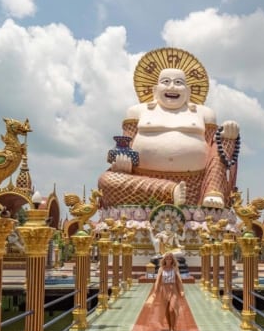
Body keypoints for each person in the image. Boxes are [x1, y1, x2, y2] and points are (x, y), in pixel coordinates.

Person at [98, 47, 240, 209]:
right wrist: (122, 163)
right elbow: (126, 145)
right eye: (166, 82)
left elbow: (211, 148)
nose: (172, 86)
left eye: (178, 83)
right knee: (106, 181)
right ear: (155, 90)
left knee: (224, 138)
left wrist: (228, 133)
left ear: (188, 91)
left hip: (195, 185)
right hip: (144, 183)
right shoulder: (137, 111)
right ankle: (169, 190)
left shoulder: (204, 113)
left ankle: (213, 191)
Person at [145, 252, 186, 331]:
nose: (168, 260)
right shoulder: (161, 269)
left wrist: (181, 290)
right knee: (166, 310)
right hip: (164, 290)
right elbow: (157, 281)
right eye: (167, 258)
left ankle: (173, 328)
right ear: (164, 259)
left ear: (172, 259)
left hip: (173, 290)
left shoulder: (175, 268)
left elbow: (179, 280)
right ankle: (170, 328)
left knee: (172, 309)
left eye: (170, 258)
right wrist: (155, 291)